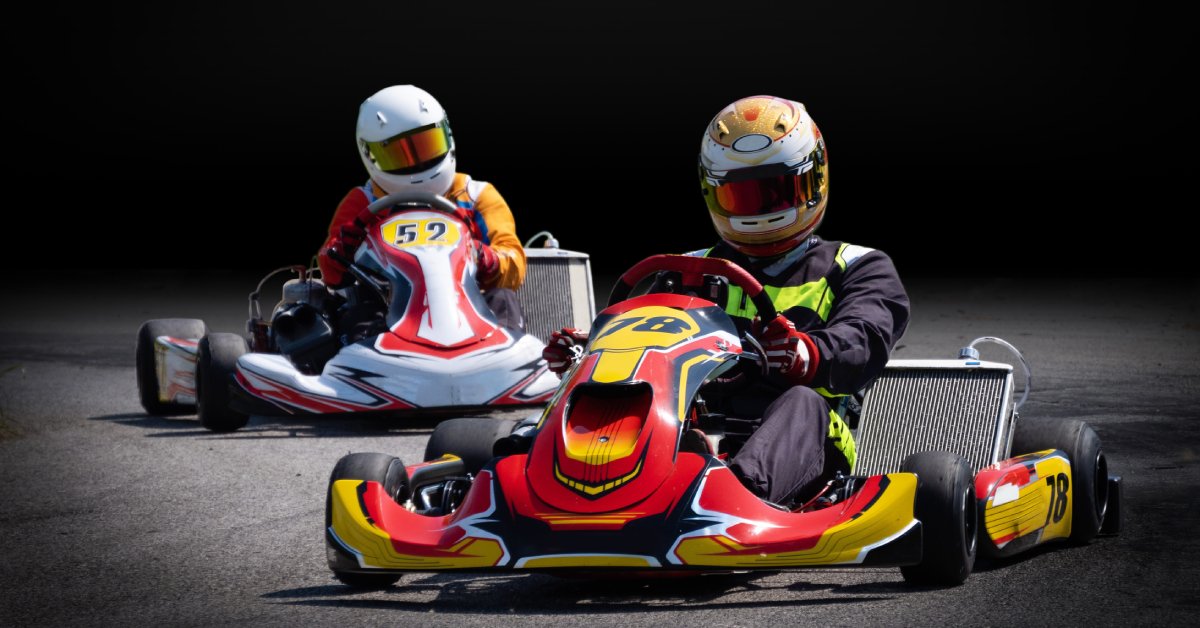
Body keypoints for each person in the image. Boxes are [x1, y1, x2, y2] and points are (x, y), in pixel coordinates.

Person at [543, 95, 910, 509]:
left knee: (801, 402)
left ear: (813, 180)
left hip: (807, 432)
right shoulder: (688, 269)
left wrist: (806, 353)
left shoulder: (857, 266)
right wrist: (590, 352)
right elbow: (641, 340)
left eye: (772, 193)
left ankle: (731, 499)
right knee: (623, 395)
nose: (758, 210)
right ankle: (536, 478)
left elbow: (865, 338)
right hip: (691, 420)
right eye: (741, 197)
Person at [317, 85, 527, 333]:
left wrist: (484, 257)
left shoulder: (476, 196)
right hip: (390, 308)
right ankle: (367, 366)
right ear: (369, 155)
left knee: (503, 298)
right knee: (358, 313)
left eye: (427, 145)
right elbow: (331, 273)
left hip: (467, 306)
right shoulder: (362, 202)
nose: (417, 162)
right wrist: (341, 250)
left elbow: (514, 263)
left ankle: (508, 366)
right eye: (397, 155)